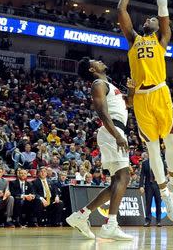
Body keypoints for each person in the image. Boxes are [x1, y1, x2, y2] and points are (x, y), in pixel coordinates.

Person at [117, 0, 173, 221]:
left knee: (171, 141)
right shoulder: (133, 39)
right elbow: (121, 8)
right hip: (142, 97)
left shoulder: (161, 39)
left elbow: (162, 7)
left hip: (161, 93)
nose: (150, 18)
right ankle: (166, 194)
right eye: (149, 18)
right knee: (153, 148)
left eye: (153, 19)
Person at [66, 58, 133, 240]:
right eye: (96, 61)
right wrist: (118, 135)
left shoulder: (109, 84)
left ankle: (81, 215)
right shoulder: (98, 83)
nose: (101, 61)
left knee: (116, 182)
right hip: (113, 130)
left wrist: (132, 91)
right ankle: (111, 224)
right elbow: (102, 112)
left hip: (116, 130)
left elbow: (129, 105)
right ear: (92, 69)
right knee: (124, 177)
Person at [139, 152, 162, 227]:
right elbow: (142, 174)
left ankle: (158, 221)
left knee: (158, 203)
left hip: (158, 185)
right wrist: (141, 186)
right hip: (148, 185)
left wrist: (163, 185)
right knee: (148, 203)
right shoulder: (145, 163)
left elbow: (163, 173)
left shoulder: (159, 162)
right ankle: (148, 221)